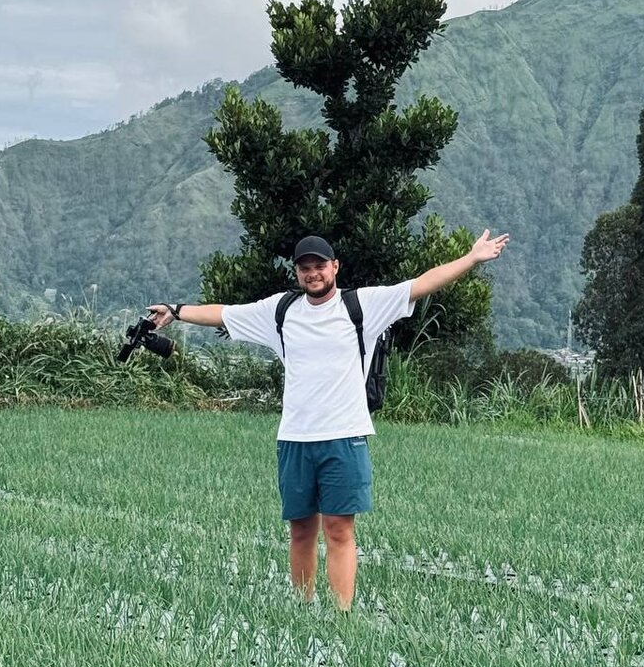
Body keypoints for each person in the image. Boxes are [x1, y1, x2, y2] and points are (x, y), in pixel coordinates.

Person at [148, 229, 509, 610]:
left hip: (345, 437)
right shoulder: (280, 311)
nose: (313, 273)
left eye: (320, 265)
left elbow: (420, 285)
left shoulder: (362, 306)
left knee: (339, 530)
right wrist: (176, 311)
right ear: (297, 273)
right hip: (295, 438)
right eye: (305, 268)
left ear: (335, 267)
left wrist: (471, 259)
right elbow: (223, 313)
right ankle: (303, 609)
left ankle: (342, 615)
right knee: (300, 530)